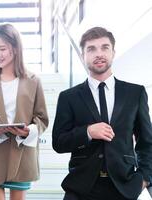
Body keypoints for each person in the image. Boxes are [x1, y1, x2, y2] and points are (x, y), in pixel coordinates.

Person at [52, 26, 152, 200]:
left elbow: (147, 142)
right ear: (83, 56)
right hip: (80, 188)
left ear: (113, 52)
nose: (99, 54)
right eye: (91, 49)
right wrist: (88, 132)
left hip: (124, 187)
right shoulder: (68, 97)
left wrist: (144, 179)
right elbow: (59, 142)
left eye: (105, 47)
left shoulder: (135, 93)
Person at [0, 23, 49, 200]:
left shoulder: (33, 81)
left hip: (21, 156)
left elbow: (42, 118)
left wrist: (29, 131)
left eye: (2, 48)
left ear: (15, 48)